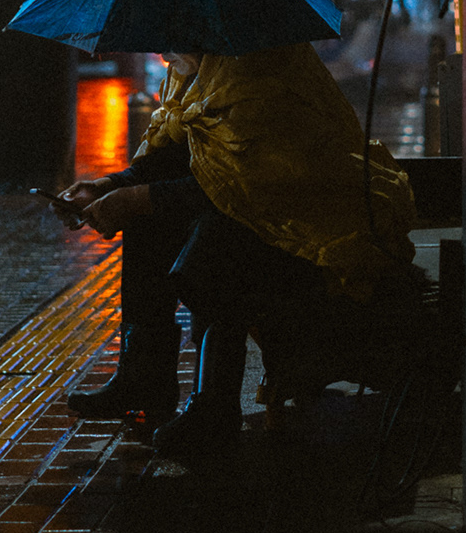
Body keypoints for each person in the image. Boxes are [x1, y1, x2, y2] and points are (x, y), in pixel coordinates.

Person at [55, 43, 417, 458]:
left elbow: (246, 186)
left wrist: (138, 198)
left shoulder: (258, 76)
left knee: (214, 245)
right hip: (252, 215)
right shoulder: (202, 73)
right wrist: (110, 186)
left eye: (173, 40)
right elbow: (180, 156)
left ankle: (214, 406)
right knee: (150, 220)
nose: (165, 56)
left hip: (310, 229)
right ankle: (144, 376)